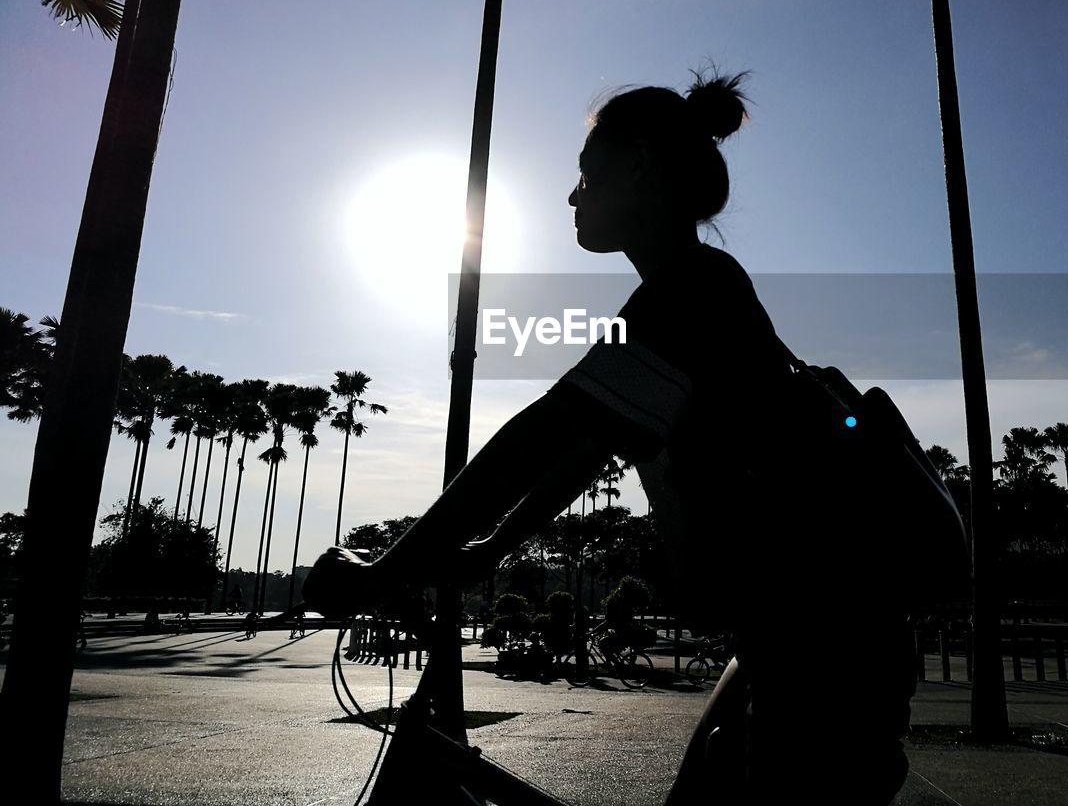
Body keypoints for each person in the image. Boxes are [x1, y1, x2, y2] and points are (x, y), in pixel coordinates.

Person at [304, 70, 915, 804]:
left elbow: (542, 433)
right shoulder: (688, 294)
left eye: (585, 174)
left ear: (639, 163)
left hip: (827, 654)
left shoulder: (692, 290)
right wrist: (485, 552)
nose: (572, 195)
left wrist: (390, 569)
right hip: (798, 637)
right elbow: (584, 450)